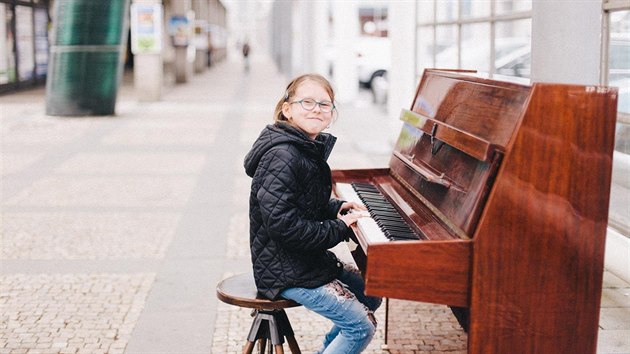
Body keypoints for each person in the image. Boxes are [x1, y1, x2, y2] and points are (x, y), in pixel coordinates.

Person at [244, 73, 382, 354]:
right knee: (360, 327)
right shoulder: (283, 155)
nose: (316, 109)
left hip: (303, 261)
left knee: (373, 291)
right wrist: (340, 228)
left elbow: (304, 203)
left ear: (332, 113)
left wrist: (336, 208)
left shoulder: (304, 148)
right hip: (285, 271)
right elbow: (285, 226)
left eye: (324, 104)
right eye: (307, 102)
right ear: (287, 109)